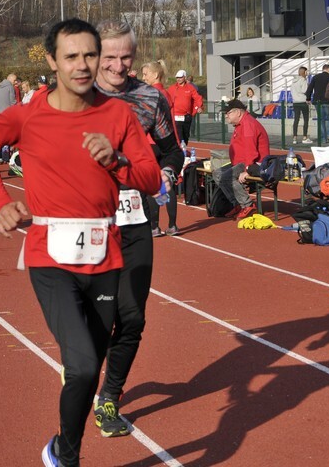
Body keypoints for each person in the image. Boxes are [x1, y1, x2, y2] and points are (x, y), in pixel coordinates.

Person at [0, 18, 160, 467]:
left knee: (89, 365)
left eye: (90, 55)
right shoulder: (29, 114)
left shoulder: (118, 116)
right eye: (71, 56)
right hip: (50, 255)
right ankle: (68, 460)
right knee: (80, 366)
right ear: (52, 61)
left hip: (105, 253)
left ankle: (58, 447)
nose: (82, 65)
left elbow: (150, 178)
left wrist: (116, 161)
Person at [93, 22, 184, 439]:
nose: (117, 65)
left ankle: (109, 395)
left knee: (131, 316)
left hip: (133, 218)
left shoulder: (150, 98)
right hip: (85, 222)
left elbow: (171, 151)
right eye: (108, 56)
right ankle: (80, 363)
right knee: (95, 317)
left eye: (125, 57)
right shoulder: (73, 95)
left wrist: (163, 174)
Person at [140, 59, 181, 238]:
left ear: (155, 75)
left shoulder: (150, 94)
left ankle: (154, 226)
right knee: (166, 183)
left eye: (145, 74)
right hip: (167, 145)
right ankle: (172, 225)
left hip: (151, 143)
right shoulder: (167, 93)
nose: (143, 77)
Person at [217, 98, 270, 220]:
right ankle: (237, 204)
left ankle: (247, 205)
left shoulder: (247, 124)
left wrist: (247, 169)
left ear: (238, 112)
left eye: (228, 113)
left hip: (254, 163)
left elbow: (251, 151)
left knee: (226, 177)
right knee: (217, 173)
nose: (226, 116)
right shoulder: (240, 124)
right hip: (240, 162)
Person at [167, 69, 203, 145]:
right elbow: (166, 98)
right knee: (179, 136)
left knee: (186, 135)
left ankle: (184, 150)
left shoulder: (190, 88)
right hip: (176, 116)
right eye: (177, 77)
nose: (178, 79)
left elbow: (197, 98)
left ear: (185, 77)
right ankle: (181, 152)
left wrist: (199, 106)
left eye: (180, 77)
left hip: (187, 116)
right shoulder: (172, 88)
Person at [307, 64, 329, 145]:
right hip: (327, 100)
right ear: (328, 69)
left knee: (321, 120)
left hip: (317, 101)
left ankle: (323, 138)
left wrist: (308, 98)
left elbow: (310, 88)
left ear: (323, 69)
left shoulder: (315, 77)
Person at [290, 66, 312, 145]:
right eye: (306, 72)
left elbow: (292, 91)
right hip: (303, 102)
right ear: (304, 72)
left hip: (295, 102)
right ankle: (304, 137)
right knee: (306, 120)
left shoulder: (293, 81)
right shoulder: (303, 80)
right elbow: (304, 90)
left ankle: (294, 137)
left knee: (296, 120)